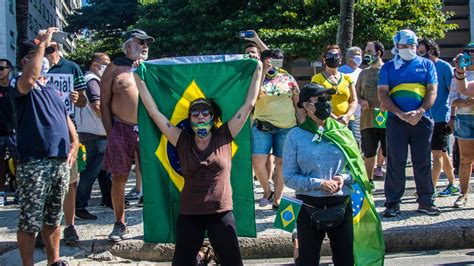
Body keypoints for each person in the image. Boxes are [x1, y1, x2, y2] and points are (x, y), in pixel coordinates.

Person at [134, 56, 263, 265]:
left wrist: (258, 69)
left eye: (206, 112)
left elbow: (248, 104)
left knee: (232, 262)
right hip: (190, 213)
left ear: (212, 117)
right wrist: (138, 77)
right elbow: (154, 113)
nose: (200, 116)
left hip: (221, 212)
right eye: (195, 113)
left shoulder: (224, 135)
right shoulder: (181, 140)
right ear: (190, 118)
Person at [11, 28, 79, 266]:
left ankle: (54, 261)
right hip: (34, 162)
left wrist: (74, 144)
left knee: (53, 218)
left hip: (59, 161)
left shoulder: (52, 90)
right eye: (43, 53)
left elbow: (67, 121)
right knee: (30, 220)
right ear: (26, 60)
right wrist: (41, 43)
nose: (49, 56)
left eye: (51, 51)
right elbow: (29, 80)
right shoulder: (19, 84)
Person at [283, 83, 353, 265]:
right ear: (306, 106)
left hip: (341, 203)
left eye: (328, 99)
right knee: (308, 260)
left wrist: (343, 178)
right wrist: (318, 183)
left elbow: (357, 169)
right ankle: (297, 243)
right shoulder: (295, 136)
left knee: (346, 259)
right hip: (309, 206)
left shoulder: (343, 132)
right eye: (320, 100)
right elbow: (289, 177)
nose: (326, 103)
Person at [378, 29, 440, 217]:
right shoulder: (388, 67)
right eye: (404, 46)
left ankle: (426, 201)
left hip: (422, 120)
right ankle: (393, 203)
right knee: (395, 162)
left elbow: (432, 91)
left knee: (422, 161)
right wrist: (400, 113)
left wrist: (419, 111)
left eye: (412, 45)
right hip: (396, 121)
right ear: (396, 46)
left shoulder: (427, 65)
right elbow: (382, 93)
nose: (409, 49)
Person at [101, 29, 154, 242]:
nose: (145, 46)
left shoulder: (149, 68)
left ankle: (156, 221)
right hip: (121, 128)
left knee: (153, 175)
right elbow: (104, 103)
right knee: (119, 177)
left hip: (148, 128)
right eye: (140, 42)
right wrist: (110, 132)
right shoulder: (113, 69)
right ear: (128, 45)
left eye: (147, 43)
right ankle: (119, 222)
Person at [44, 39, 87, 245]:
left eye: (50, 48)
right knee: (45, 184)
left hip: (67, 131)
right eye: (44, 48)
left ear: (58, 48)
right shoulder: (38, 68)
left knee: (70, 182)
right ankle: (45, 227)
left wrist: (77, 97)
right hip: (43, 130)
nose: (48, 52)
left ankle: (70, 226)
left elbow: (84, 101)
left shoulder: (72, 67)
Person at [251, 48, 304, 209]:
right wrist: (262, 71)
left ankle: (278, 198)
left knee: (281, 163)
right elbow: (252, 97)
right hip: (262, 125)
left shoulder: (287, 77)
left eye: (278, 60)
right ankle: (267, 191)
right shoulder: (256, 76)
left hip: (286, 126)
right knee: (258, 160)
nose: (274, 64)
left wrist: (302, 122)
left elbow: (297, 102)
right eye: (271, 60)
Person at [417, 38, 459, 197]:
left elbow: (453, 92)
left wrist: (452, 117)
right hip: (427, 117)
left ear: (431, 50)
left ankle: (431, 189)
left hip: (442, 116)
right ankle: (452, 184)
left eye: (421, 51)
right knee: (441, 152)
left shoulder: (444, 67)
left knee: (436, 154)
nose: (418, 55)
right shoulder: (422, 68)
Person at [75, 52, 113, 220]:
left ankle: (109, 199)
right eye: (106, 64)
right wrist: (111, 120)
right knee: (90, 171)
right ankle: (79, 205)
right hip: (95, 133)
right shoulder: (92, 81)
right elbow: (97, 106)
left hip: (92, 132)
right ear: (96, 64)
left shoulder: (89, 79)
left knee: (103, 170)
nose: (108, 68)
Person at [356, 41, 387, 190]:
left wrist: (387, 102)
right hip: (367, 119)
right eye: (365, 51)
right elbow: (356, 94)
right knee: (369, 151)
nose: (366, 54)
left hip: (386, 117)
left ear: (378, 53)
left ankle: (390, 180)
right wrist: (361, 101)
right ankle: (369, 180)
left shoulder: (388, 70)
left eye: (369, 51)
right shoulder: (364, 73)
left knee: (389, 150)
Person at [311, 45, 358, 130]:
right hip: (327, 121)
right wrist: (335, 118)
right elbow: (316, 101)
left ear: (340, 59)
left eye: (336, 55)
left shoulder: (347, 78)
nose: (333, 58)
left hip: (348, 121)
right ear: (324, 59)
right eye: (330, 55)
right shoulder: (317, 78)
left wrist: (347, 116)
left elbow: (354, 100)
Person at [450, 47, 474, 207]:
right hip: (465, 118)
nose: (471, 55)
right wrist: (466, 102)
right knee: (465, 159)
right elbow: (453, 99)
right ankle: (463, 194)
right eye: (468, 53)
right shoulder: (457, 75)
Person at [0, 58, 17, 207]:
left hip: (15, 131)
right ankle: (1, 193)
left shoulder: (15, 87)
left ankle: (19, 191)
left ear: (9, 69)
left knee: (19, 162)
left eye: (2, 68)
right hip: (0, 131)